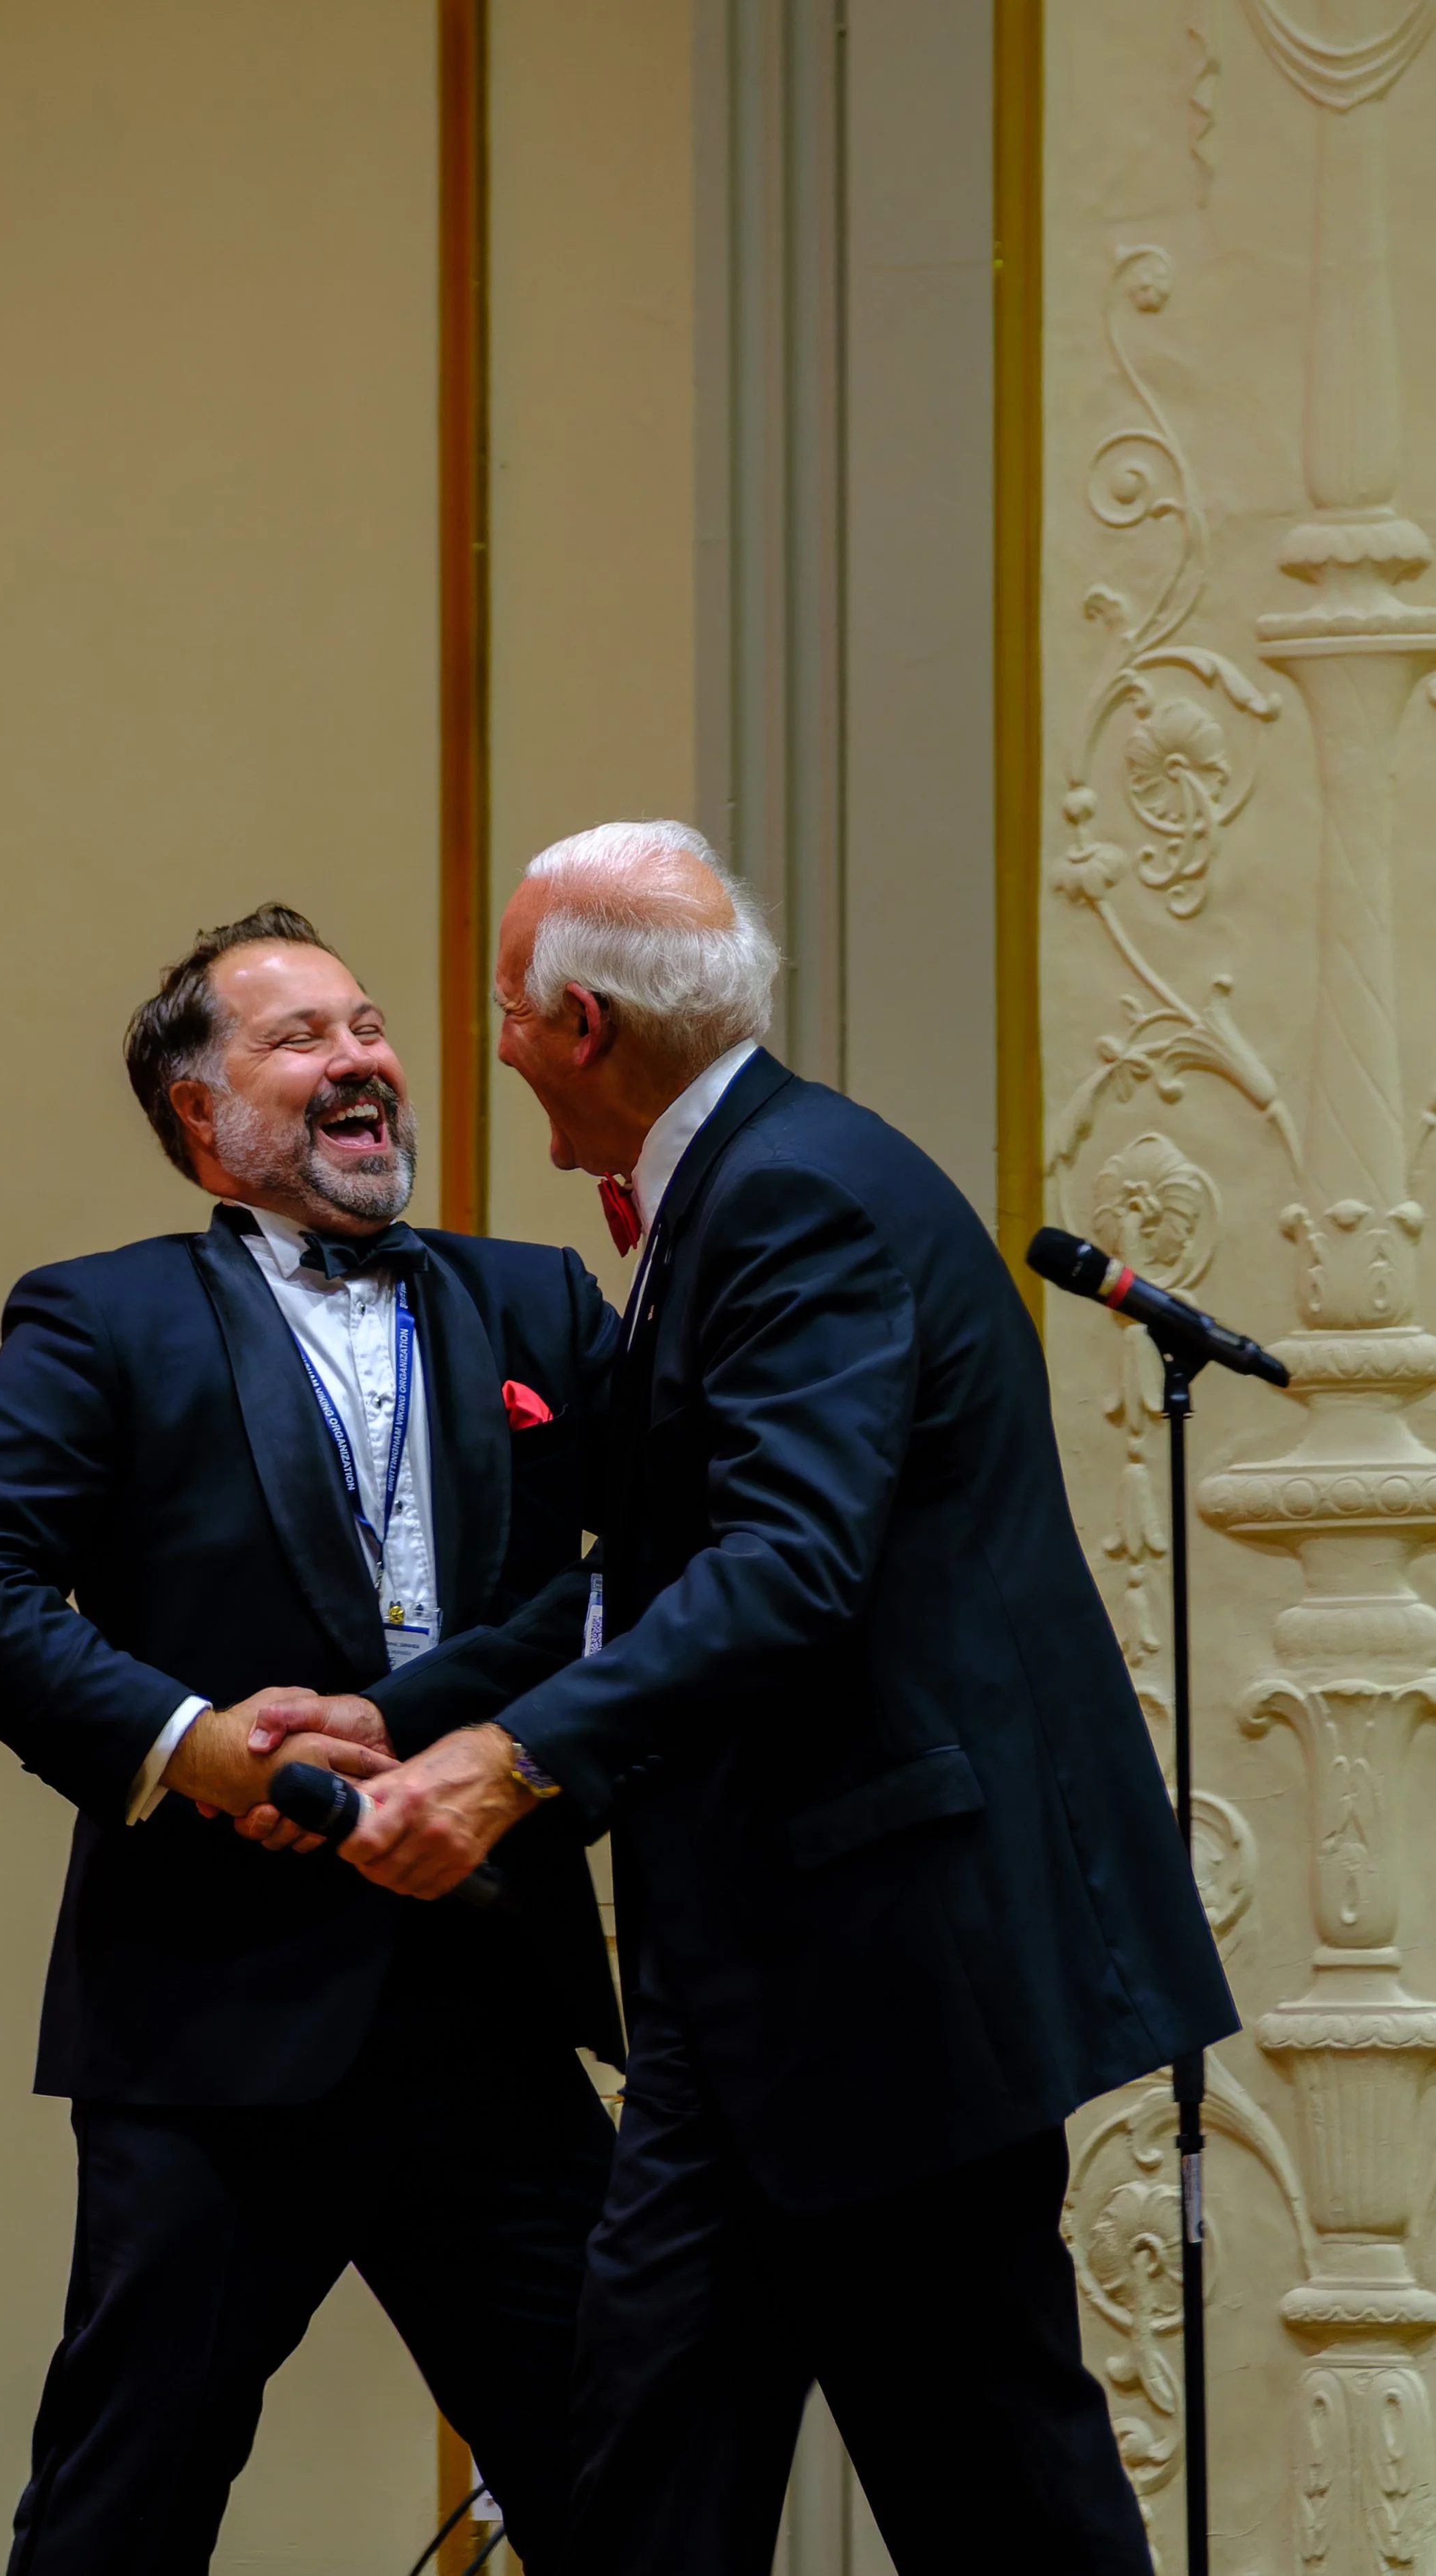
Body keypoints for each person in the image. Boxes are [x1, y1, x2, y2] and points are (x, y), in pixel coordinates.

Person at [288, 825, 1240, 2574]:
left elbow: (788, 1570)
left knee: (992, 2495)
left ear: (579, 1021)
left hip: (883, 1983)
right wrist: (399, 1712)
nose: (486, 1039)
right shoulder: (746, 1178)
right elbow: (644, 1582)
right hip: (759, 1990)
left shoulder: (793, 1191)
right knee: (643, 2474)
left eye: (503, 1003)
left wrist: (503, 1766)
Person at [0, 903, 623, 2576]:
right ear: (200, 1124)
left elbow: (654, 1579)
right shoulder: (101, 1320)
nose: (361, 1058)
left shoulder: (538, 1303)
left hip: (493, 2001)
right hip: (211, 2022)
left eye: (365, 1027)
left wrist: (413, 1719)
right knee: (120, 2513)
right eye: (299, 1039)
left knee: (634, 2492)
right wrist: (195, 1745)